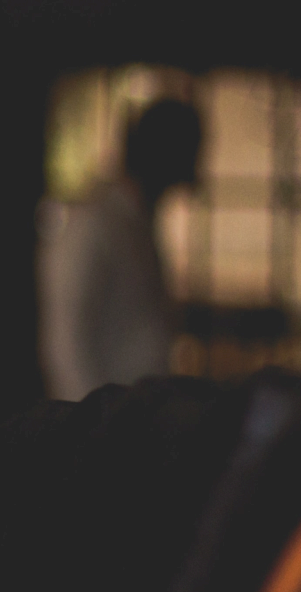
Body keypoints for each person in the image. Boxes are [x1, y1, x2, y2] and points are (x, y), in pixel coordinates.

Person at [38, 99, 203, 401]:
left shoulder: (137, 224)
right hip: (105, 432)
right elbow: (65, 345)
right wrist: (91, 432)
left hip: (131, 422)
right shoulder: (94, 225)